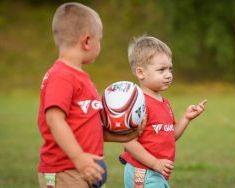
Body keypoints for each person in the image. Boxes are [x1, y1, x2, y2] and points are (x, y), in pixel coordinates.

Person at [37, 2, 139, 188]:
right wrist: (79, 158)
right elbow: (54, 119)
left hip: (86, 168)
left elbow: (84, 128)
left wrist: (119, 137)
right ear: (87, 41)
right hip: (65, 171)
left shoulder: (81, 78)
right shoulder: (62, 75)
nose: (100, 44)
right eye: (99, 39)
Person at [120, 35, 207, 188]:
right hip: (143, 172)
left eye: (170, 69)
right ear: (141, 73)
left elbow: (169, 136)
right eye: (161, 70)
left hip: (157, 172)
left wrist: (186, 118)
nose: (168, 75)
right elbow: (128, 142)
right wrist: (154, 163)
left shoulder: (164, 103)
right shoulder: (138, 104)